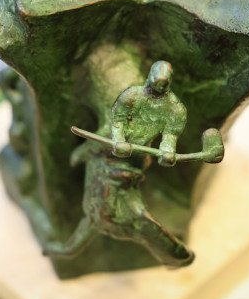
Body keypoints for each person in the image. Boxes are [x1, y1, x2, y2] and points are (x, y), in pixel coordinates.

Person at [43, 61, 194, 268]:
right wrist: (119, 140)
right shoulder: (132, 95)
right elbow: (118, 120)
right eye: (154, 83)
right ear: (149, 78)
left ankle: (153, 237)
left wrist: (167, 152)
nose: (157, 89)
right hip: (110, 150)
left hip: (133, 161)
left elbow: (169, 136)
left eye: (161, 86)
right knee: (96, 211)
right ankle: (71, 247)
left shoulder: (174, 108)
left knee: (110, 209)